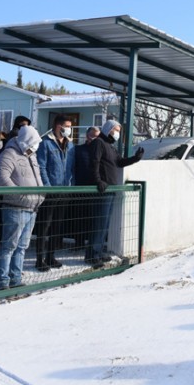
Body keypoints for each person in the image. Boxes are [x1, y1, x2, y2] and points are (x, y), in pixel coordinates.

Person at [0, 125, 44, 290]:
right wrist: (20, 196)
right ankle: (3, 281)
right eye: (34, 142)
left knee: (22, 247)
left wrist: (41, 194)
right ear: (26, 141)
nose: (36, 146)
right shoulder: (9, 154)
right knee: (9, 246)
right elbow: (2, 178)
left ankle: (16, 279)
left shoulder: (32, 156)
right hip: (15, 207)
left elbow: (38, 177)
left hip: (32, 208)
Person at [88, 119, 143, 268]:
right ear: (108, 129)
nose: (118, 133)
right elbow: (94, 162)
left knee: (105, 223)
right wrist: (98, 180)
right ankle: (93, 255)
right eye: (116, 130)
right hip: (103, 189)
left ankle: (98, 251)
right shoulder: (99, 143)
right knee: (99, 223)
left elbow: (119, 162)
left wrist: (135, 158)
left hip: (110, 188)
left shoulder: (110, 146)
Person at [34, 114, 75, 271]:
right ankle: (39, 259)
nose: (69, 129)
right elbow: (42, 166)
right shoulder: (46, 143)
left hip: (64, 190)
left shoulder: (70, 144)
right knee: (44, 225)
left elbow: (72, 167)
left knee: (57, 226)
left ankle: (51, 256)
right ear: (59, 126)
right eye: (67, 126)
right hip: (51, 191)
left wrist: (71, 185)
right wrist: (48, 187)